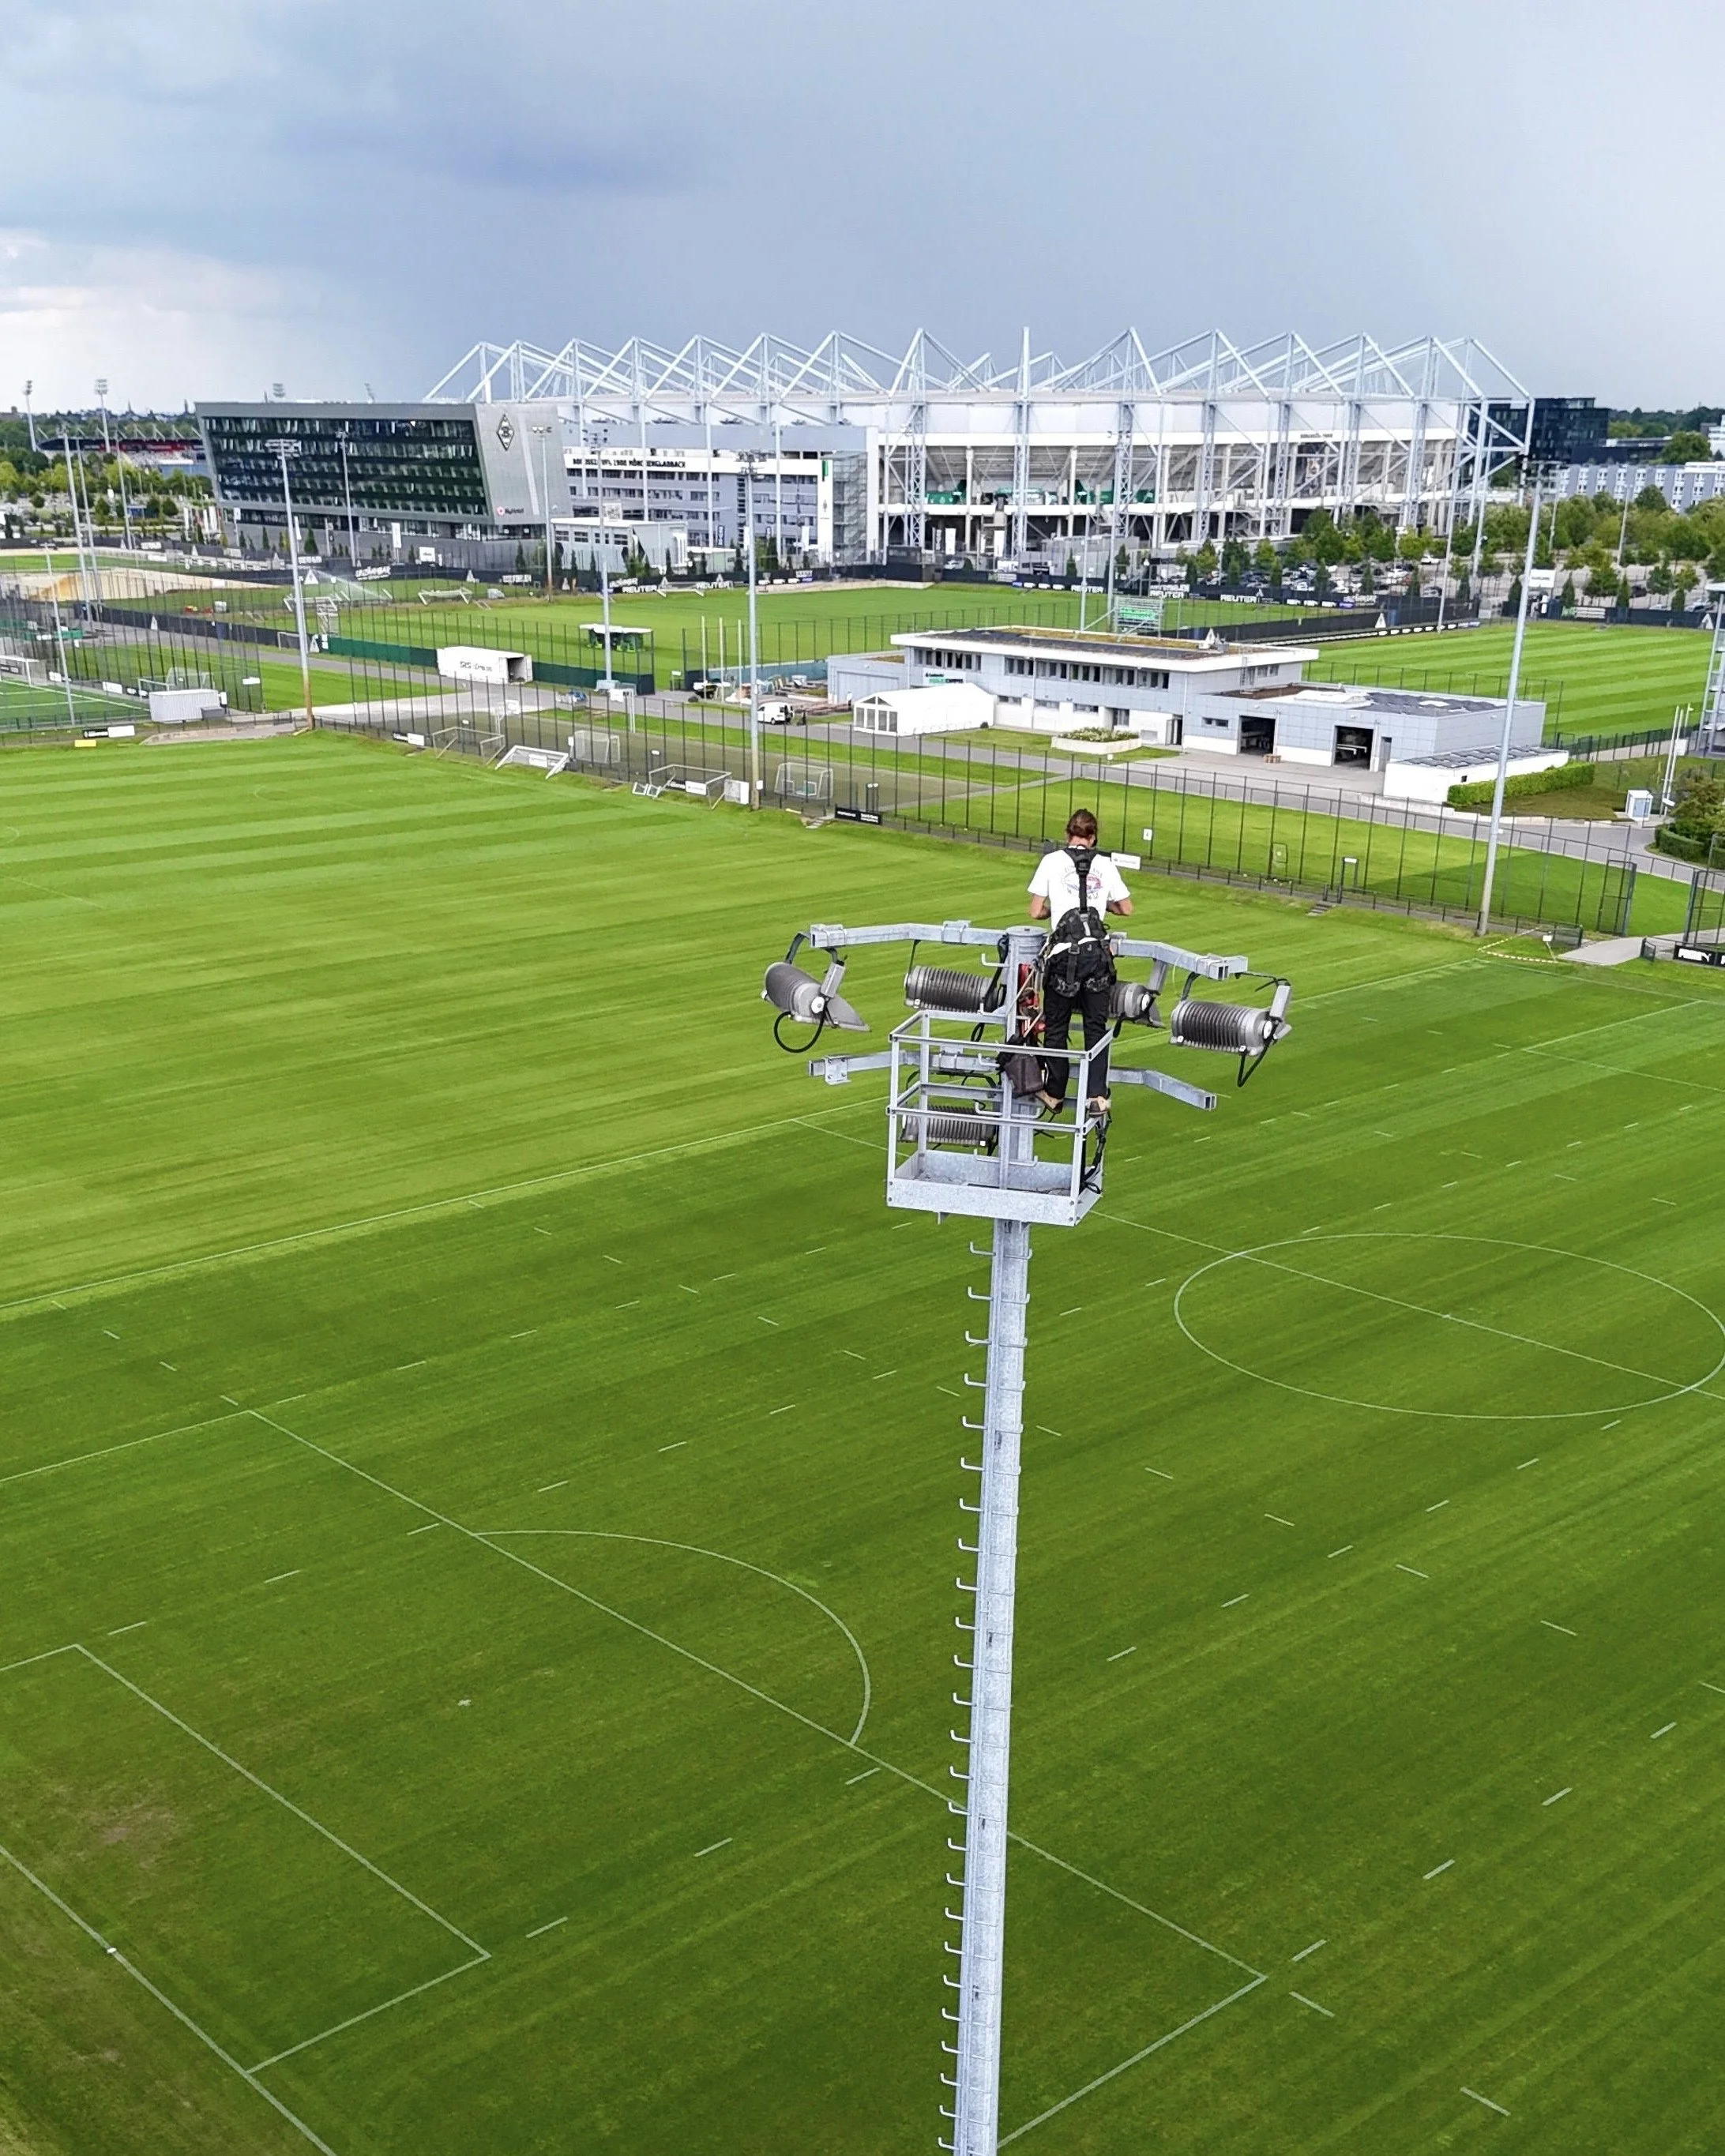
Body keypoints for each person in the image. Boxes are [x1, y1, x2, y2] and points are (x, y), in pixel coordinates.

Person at [1027, 809, 1132, 1117]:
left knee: (1057, 1027)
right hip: (1098, 956)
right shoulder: (1104, 864)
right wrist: (1101, 907)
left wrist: (1056, 914)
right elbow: (1126, 908)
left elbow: (1035, 911)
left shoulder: (1052, 861)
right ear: (1094, 837)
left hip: (1063, 957)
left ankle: (1055, 1093)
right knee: (1095, 1027)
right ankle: (1096, 1096)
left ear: (1067, 834)